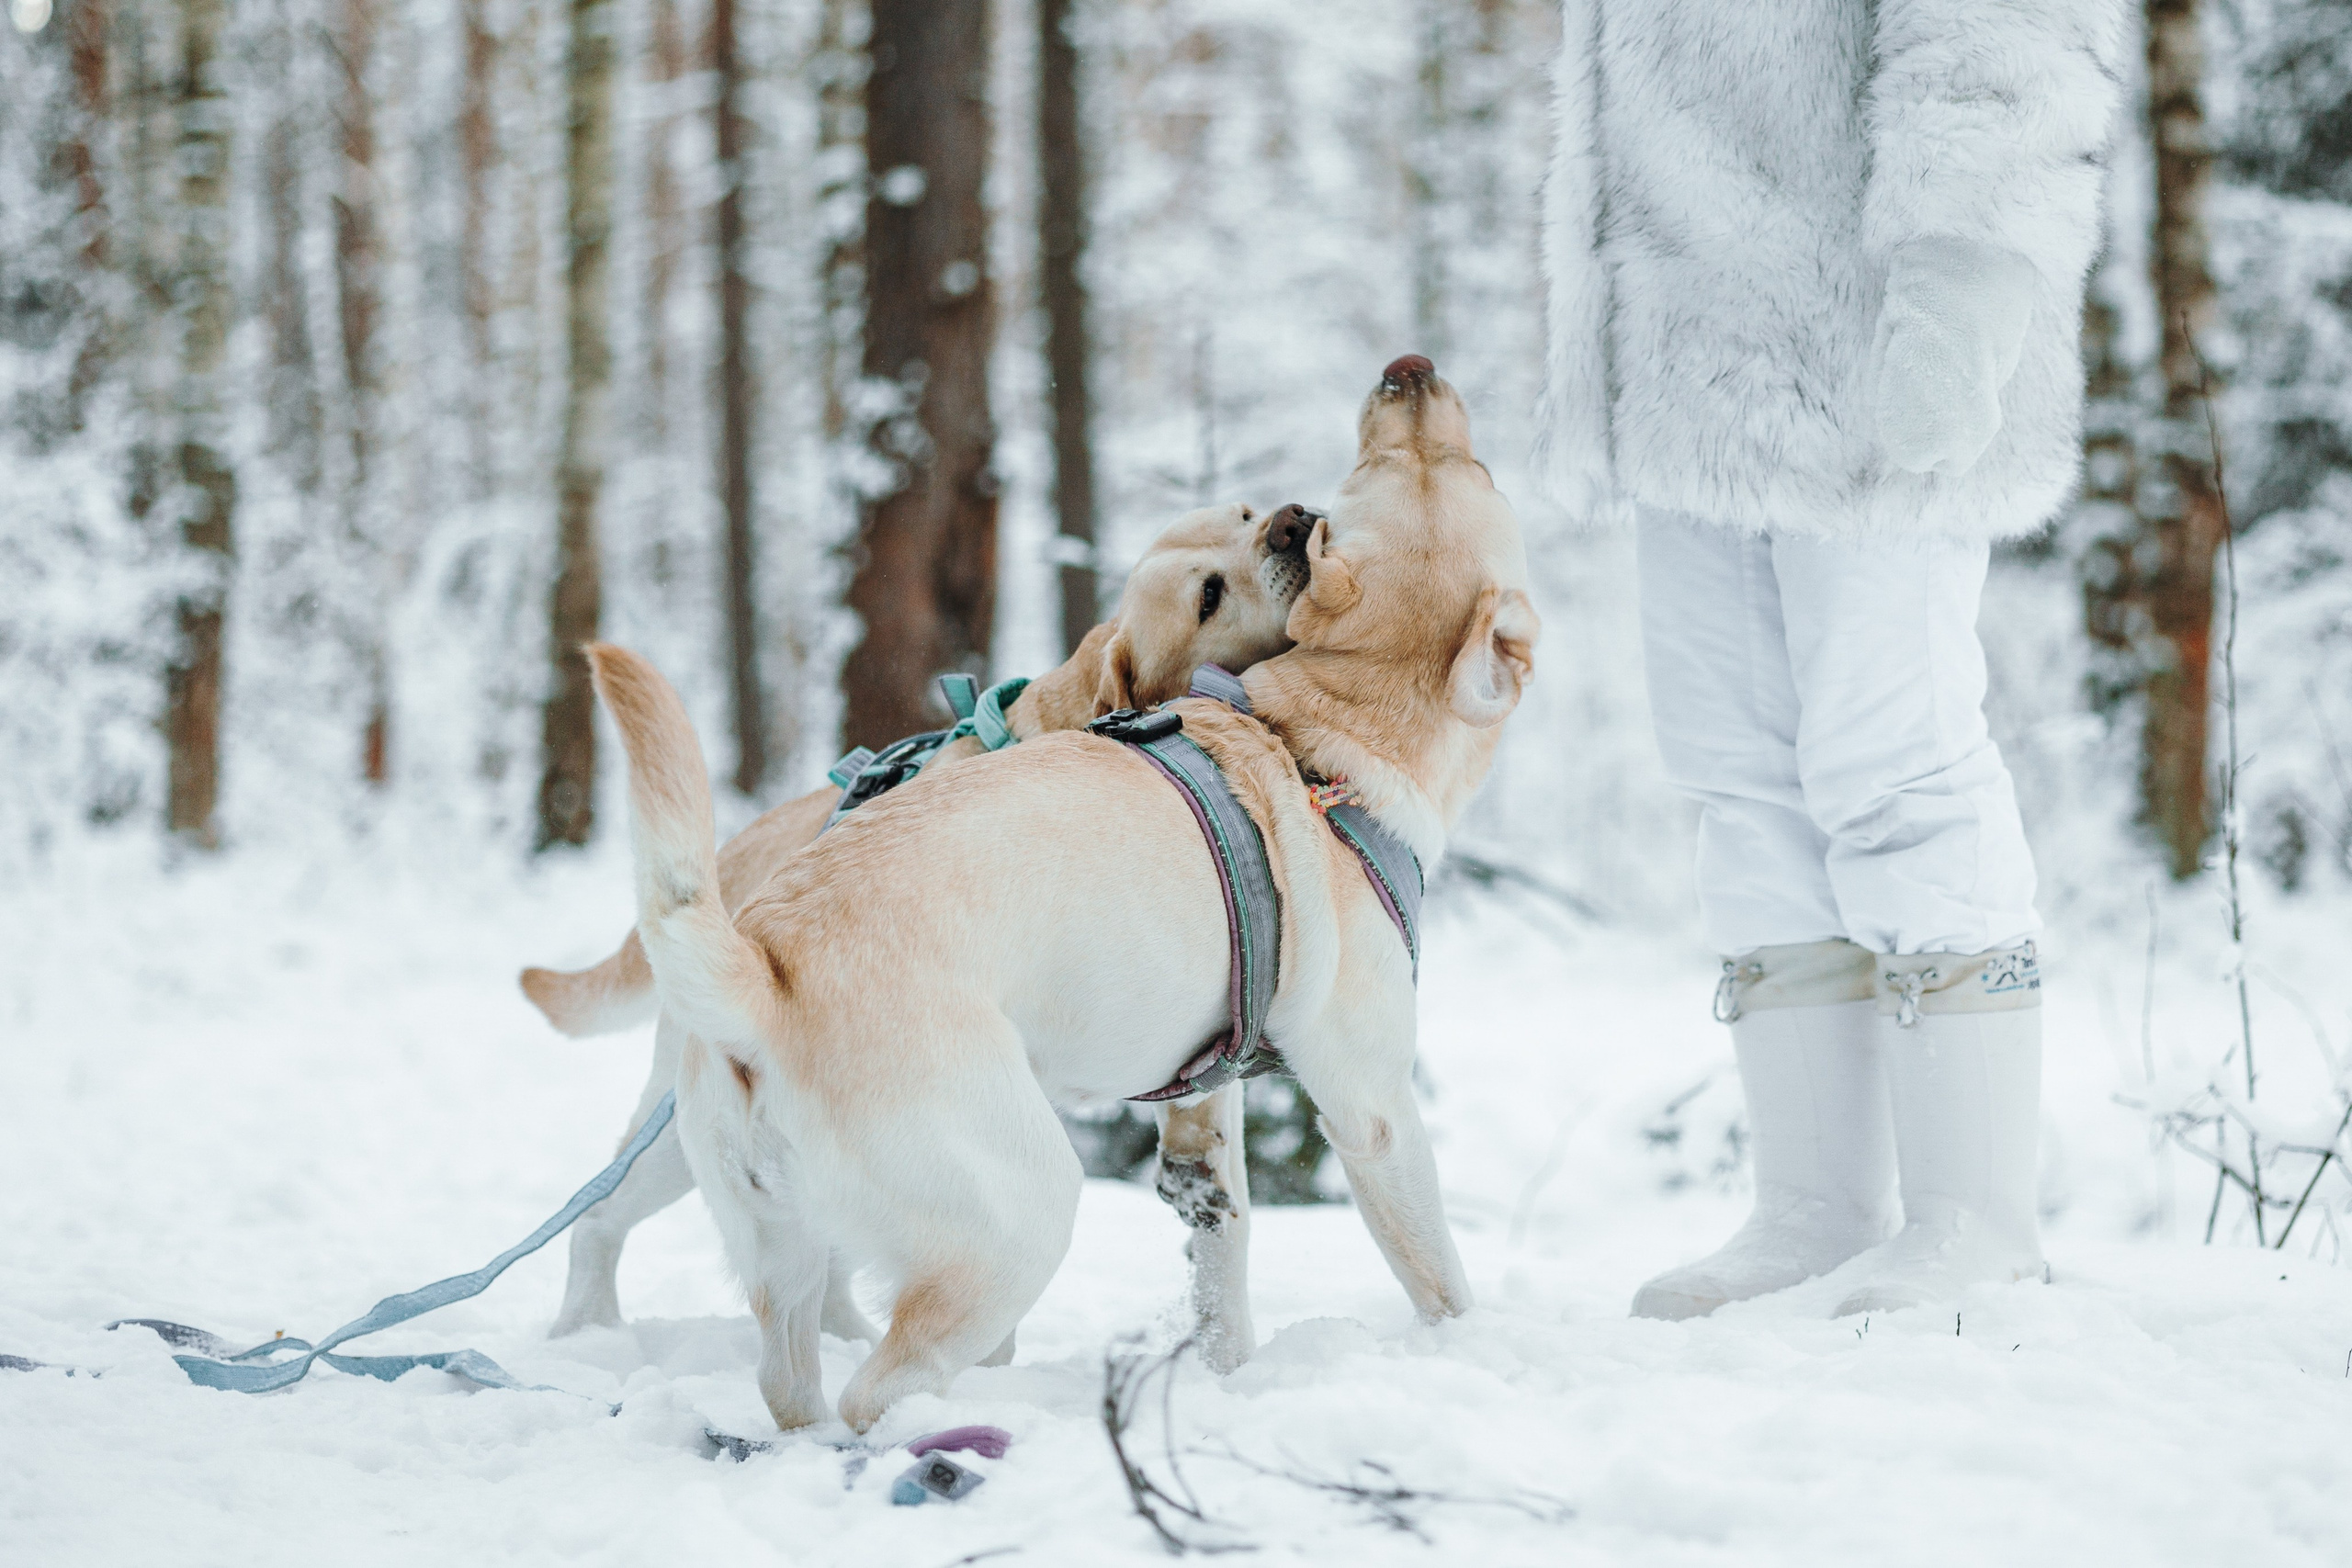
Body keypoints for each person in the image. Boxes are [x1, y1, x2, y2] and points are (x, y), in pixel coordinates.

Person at [1536, 1, 2124, 1317]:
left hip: (1876, 344)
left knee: (1895, 765)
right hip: (1683, 365)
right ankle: (1814, 1210)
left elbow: (1998, 43)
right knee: (1741, 782)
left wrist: (1966, 276)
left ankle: (1976, 1218)